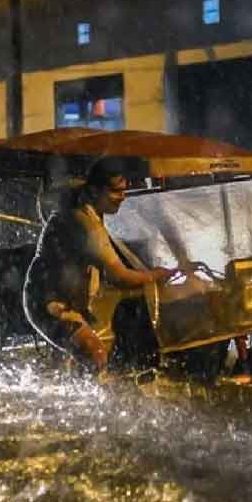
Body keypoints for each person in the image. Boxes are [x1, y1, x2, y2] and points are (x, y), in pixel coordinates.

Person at [23, 158, 174, 374]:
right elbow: (120, 277)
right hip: (50, 305)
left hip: (68, 301)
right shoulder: (85, 223)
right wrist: (158, 275)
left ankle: (68, 384)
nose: (122, 197)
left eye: (124, 190)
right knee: (96, 356)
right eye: (115, 191)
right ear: (94, 191)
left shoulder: (88, 204)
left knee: (76, 362)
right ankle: (87, 396)